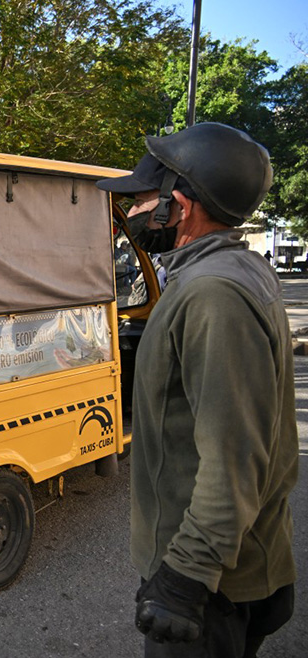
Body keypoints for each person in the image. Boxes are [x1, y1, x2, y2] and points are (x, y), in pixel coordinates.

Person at [95, 123, 297, 657]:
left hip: (211, 591)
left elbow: (234, 459)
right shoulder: (233, 269)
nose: (131, 214)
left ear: (178, 205)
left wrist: (185, 578)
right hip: (233, 569)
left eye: (139, 200)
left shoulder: (214, 294)